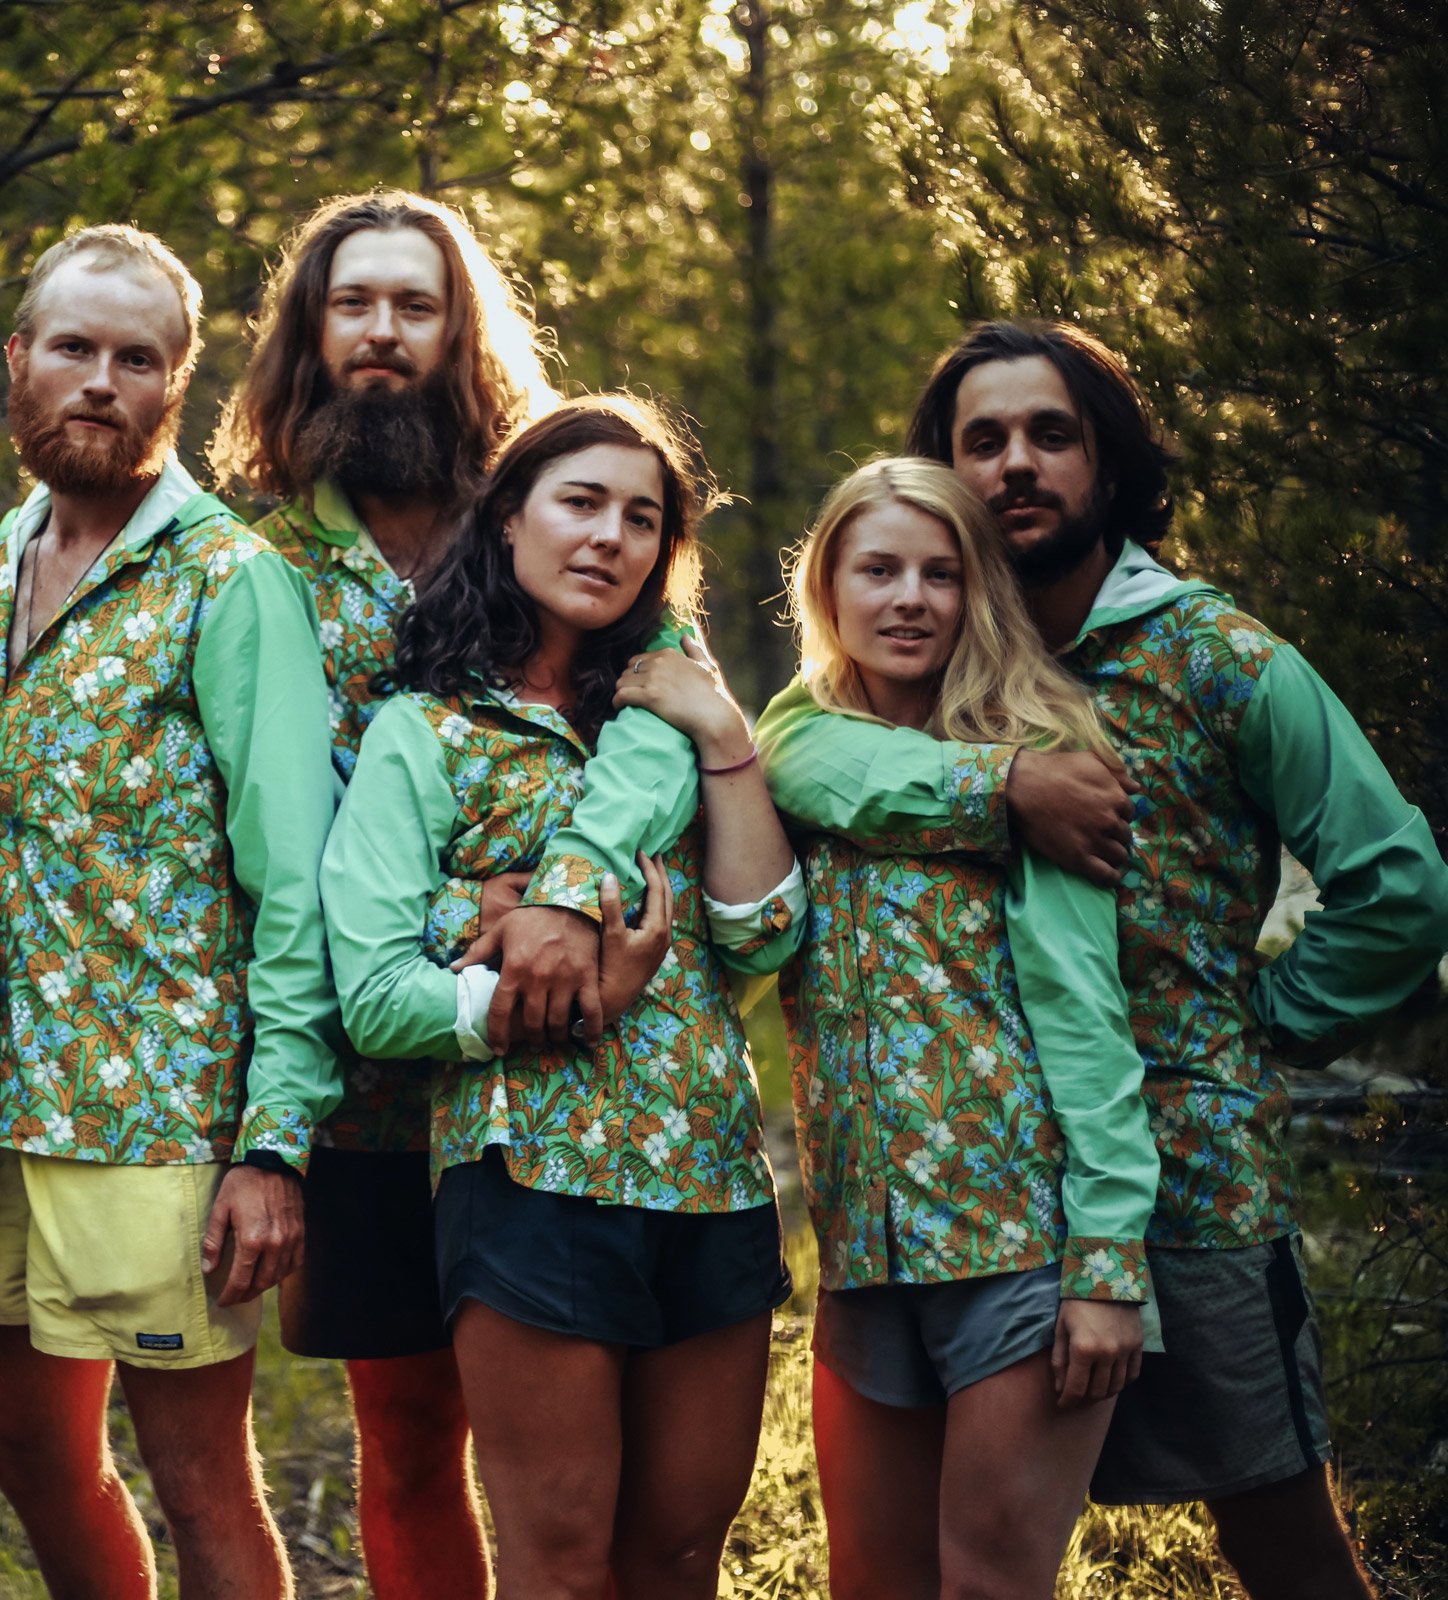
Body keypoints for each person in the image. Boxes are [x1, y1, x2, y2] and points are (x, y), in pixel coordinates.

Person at [750, 321, 1448, 1599]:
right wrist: (1005, 783)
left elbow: (1397, 886)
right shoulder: (922, 661)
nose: (1016, 464)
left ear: (1108, 464)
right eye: (983, 441)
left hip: (1186, 1173)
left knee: (1276, 1528)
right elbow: (792, 748)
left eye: (1051, 435)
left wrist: (1264, 1020)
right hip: (979, 1201)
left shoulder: (1213, 658)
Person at [323, 394, 805, 1600]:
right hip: (531, 1179)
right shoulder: (424, 732)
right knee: (563, 1565)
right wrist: (546, 993)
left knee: (679, 1556)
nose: (609, 536)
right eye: (580, 502)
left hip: (709, 1168)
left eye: (642, 518)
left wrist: (726, 734)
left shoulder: (672, 721)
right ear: (508, 518)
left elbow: (761, 936)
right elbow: (373, 996)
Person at [0, 224, 340, 1600]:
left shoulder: (230, 580)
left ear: (178, 381)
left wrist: (272, 1141)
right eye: (73, 348)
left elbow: (293, 880)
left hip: (164, 1114)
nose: (100, 382)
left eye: (136, 358)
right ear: (20, 360)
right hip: (5, 1100)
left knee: (198, 1478)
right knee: (24, 1446)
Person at [725, 457, 1158, 1598]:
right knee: (869, 1583)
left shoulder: (1050, 753)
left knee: (987, 1585)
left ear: (980, 591)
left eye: (941, 573)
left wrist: (1107, 1265)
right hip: (861, 1251)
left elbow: (1087, 1020)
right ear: (827, 588)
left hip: (1016, 1246)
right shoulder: (796, 752)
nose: (910, 599)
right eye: (878, 570)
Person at [206, 187, 555, 1599]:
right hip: (357, 1081)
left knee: (567, 1445)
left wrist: (568, 887)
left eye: (416, 305)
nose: (381, 333)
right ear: (310, 334)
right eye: (352, 304)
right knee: (407, 1435)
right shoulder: (254, 560)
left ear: (463, 334)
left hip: (553, 1054)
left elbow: (661, 719)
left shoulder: (552, 518)